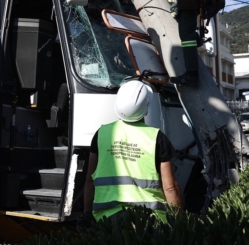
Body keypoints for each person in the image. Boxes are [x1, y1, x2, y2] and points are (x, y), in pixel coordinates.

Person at [78, 80, 183, 232]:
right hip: (150, 221)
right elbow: (171, 188)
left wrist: (87, 213)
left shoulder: (101, 134)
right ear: (146, 109)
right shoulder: (156, 138)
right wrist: (179, 222)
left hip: (107, 220)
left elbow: (89, 180)